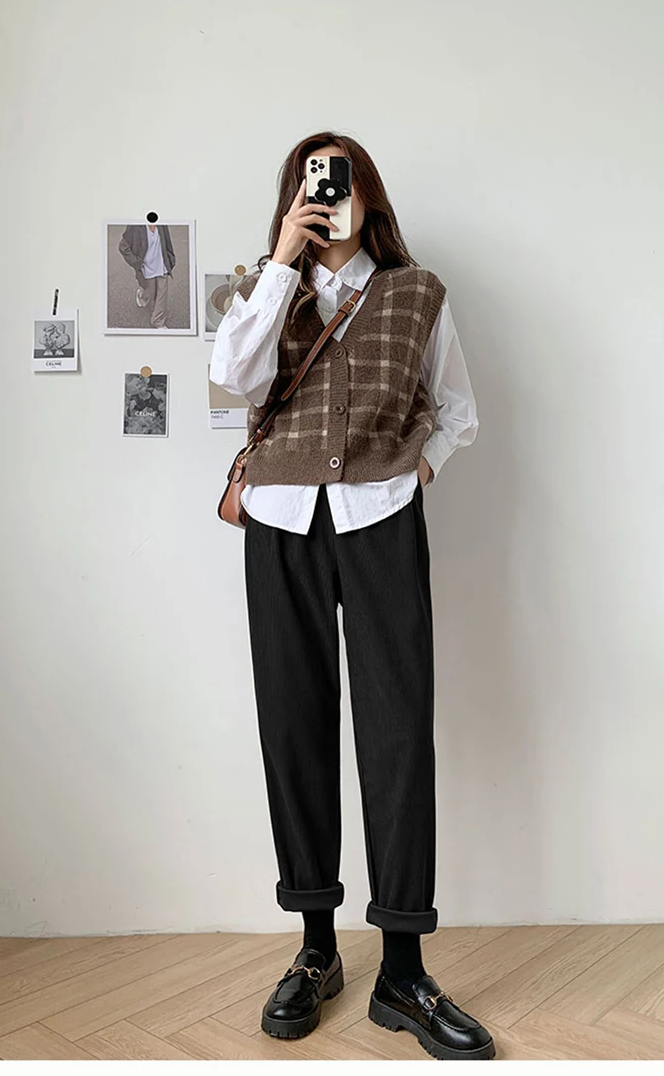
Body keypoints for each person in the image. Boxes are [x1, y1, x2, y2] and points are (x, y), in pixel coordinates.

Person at [210, 132, 494, 1062]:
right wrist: (281, 263)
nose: (326, 194)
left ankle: (403, 969)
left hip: (381, 519)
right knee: (293, 727)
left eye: (340, 179)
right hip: (281, 524)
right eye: (310, 180)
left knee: (398, 731)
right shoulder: (266, 287)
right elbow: (232, 377)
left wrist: (414, 473)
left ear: (368, 193)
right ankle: (316, 949)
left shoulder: (418, 292)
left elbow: (458, 409)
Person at [118, 222, 176, 329]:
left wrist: (171, 259)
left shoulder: (161, 224)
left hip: (161, 265)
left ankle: (158, 321)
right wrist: (136, 261)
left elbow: (167, 243)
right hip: (145, 267)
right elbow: (123, 246)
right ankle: (142, 295)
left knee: (162, 295)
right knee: (149, 292)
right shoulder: (135, 225)